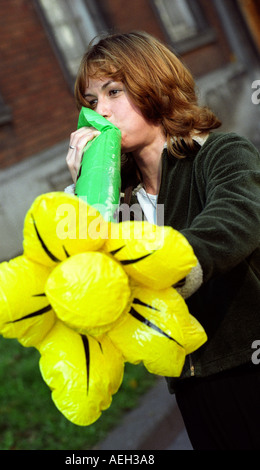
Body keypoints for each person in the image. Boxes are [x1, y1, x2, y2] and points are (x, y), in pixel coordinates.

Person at [65, 31, 260, 450]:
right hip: (190, 385)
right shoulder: (121, 198)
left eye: (114, 91)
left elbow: (234, 222)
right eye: (91, 101)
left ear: (152, 83)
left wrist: (167, 266)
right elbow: (92, 282)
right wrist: (86, 189)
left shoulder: (220, 153)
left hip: (247, 363)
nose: (101, 110)